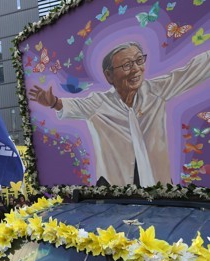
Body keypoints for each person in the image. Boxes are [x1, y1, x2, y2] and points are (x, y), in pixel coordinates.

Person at [29, 42, 210, 187]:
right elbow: (73, 105)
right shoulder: (99, 103)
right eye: (127, 65)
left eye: (139, 61)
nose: (136, 69)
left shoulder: (156, 90)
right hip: (115, 188)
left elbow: (189, 72)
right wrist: (53, 102)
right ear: (109, 75)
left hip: (157, 184)